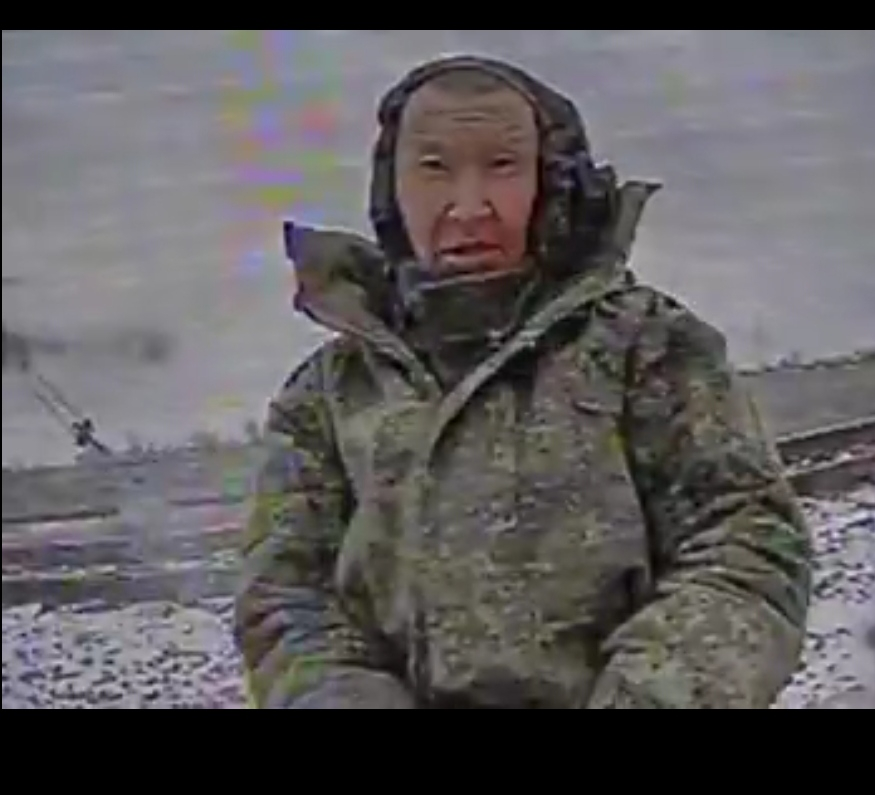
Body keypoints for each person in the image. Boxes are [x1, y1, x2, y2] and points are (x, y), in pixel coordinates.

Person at [233, 55, 813, 709]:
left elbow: (745, 548)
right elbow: (287, 599)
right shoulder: (330, 393)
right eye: (434, 168)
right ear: (391, 188)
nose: (468, 205)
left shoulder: (649, 348)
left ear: (554, 182)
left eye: (503, 166)